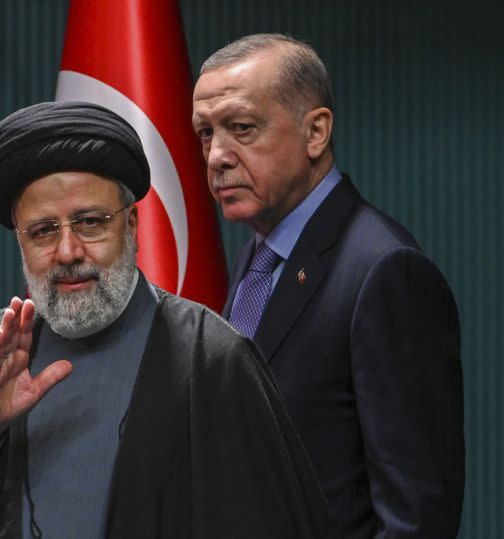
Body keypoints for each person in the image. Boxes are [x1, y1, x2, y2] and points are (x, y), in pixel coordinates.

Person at [0, 101, 327, 538]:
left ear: (132, 225)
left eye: (91, 222)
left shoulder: (212, 360)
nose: (68, 251)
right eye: (43, 231)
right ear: (21, 242)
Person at [192, 33, 464, 538]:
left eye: (241, 128)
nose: (216, 157)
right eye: (206, 133)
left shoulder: (387, 271)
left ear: (315, 132)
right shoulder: (259, 252)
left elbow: (417, 519)